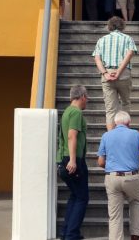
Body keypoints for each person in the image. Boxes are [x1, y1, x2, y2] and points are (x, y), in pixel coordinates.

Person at [97, 110, 139, 240]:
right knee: (136, 202)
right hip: (131, 177)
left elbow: (100, 162)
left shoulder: (106, 136)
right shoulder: (135, 134)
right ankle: (135, 234)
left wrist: (112, 167)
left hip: (112, 177)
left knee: (114, 215)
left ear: (115, 123)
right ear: (129, 122)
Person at [92, 17, 137, 131]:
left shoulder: (102, 40)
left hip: (107, 73)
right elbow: (130, 53)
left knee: (110, 109)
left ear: (109, 26)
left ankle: (111, 137)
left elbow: (97, 58)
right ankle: (125, 133)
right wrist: (119, 71)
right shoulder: (128, 38)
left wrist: (105, 73)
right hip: (124, 74)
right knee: (125, 104)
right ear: (122, 26)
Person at [58, 84, 89, 240]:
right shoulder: (76, 112)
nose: (87, 100)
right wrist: (72, 160)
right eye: (87, 97)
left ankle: (66, 232)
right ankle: (71, 234)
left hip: (64, 158)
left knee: (75, 196)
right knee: (82, 197)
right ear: (82, 96)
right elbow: (72, 136)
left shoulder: (67, 112)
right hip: (73, 159)